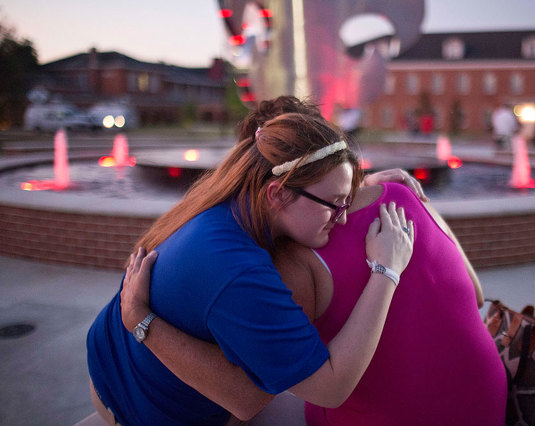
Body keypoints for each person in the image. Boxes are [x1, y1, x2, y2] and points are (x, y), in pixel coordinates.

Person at [117, 100, 506, 424]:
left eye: (347, 194)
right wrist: (414, 203)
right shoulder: (401, 197)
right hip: (489, 403)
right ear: (280, 192)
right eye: (337, 199)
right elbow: (475, 295)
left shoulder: (294, 263)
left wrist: (385, 269)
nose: (345, 210)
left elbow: (264, 395)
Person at [87, 112, 416, 425]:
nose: (342, 217)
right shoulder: (237, 269)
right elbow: (329, 388)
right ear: (278, 194)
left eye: (346, 201)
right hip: (136, 408)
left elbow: (309, 195)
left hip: (111, 370)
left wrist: (356, 190)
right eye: (336, 204)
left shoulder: (229, 200)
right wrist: (386, 271)